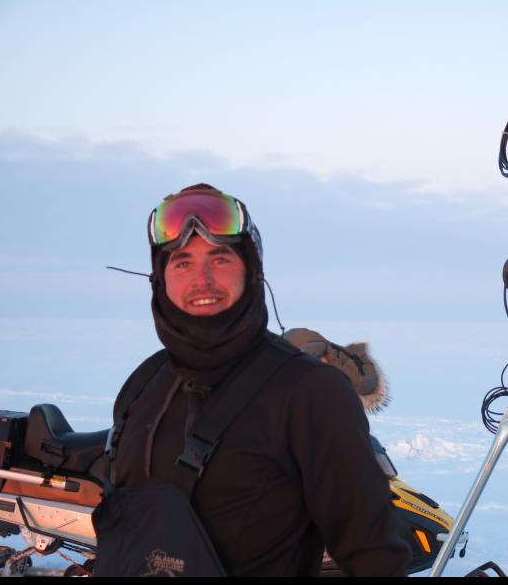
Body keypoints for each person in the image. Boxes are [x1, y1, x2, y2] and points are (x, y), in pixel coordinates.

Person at [102, 183, 411, 577]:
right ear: (160, 279)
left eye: (221, 259)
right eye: (182, 262)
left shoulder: (311, 393)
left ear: (252, 271)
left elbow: (375, 558)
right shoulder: (143, 383)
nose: (203, 279)